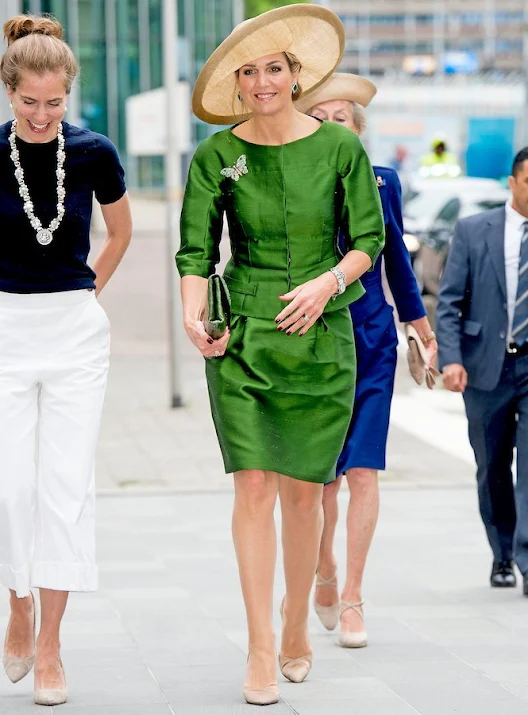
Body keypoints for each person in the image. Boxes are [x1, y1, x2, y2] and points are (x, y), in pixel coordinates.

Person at [176, 6, 384, 706]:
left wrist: (328, 282)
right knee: (254, 487)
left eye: (274, 67)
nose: (263, 81)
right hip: (244, 338)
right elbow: (195, 254)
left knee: (303, 496)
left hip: (322, 335)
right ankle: (261, 642)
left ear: (296, 74)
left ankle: (298, 619)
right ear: (236, 82)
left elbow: (367, 240)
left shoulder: (340, 148)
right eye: (249, 70)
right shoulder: (214, 157)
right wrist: (191, 311)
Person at [0, 14, 131, 706]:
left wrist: (88, 291)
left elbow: (121, 231)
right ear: (9, 90)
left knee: (64, 489)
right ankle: (16, 602)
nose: (43, 114)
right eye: (30, 102)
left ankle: (49, 641)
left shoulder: (94, 151)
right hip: (4, 330)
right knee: (9, 488)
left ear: (68, 93)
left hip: (74, 332)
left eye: (55, 102)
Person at [296, 73, 437, 647]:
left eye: (343, 119)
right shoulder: (297, 180)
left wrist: (422, 331)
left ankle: (352, 595)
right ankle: (323, 568)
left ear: (359, 133)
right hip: (313, 336)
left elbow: (398, 260)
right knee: (322, 479)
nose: (333, 127)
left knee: (364, 469)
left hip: (373, 338)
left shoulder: (382, 182)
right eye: (321, 118)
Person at [437, 147, 528, 596]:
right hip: (486, 366)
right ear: (513, 183)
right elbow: (450, 302)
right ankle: (503, 552)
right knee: (492, 466)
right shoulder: (474, 230)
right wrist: (450, 359)